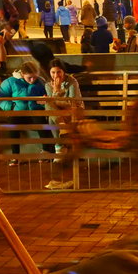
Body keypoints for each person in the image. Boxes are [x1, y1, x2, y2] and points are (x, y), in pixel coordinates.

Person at [0, 61, 47, 163]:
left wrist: (44, 102)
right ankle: (15, 155)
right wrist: (11, 107)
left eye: (35, 77)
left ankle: (46, 151)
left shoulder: (41, 82)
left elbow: (48, 96)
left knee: (42, 124)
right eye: (29, 78)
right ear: (22, 74)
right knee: (13, 125)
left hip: (35, 111)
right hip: (17, 112)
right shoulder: (10, 82)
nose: (32, 80)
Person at [44, 59, 83, 189]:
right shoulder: (48, 85)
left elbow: (73, 103)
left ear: (64, 71)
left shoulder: (72, 82)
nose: (56, 76)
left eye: (59, 72)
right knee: (50, 109)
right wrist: (55, 93)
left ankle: (59, 146)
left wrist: (57, 93)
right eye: (53, 72)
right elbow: (53, 104)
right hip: (59, 118)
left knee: (50, 108)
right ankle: (60, 144)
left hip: (73, 112)